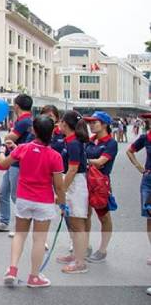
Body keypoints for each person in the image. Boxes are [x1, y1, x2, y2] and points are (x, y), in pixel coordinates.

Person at [0, 115, 65, 288]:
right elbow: (59, 186)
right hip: (44, 201)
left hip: (24, 199)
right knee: (39, 239)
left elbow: (4, 164)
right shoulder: (55, 156)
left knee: (20, 235)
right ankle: (34, 277)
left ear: (34, 130)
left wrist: (0, 151)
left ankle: (12, 270)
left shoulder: (23, 148)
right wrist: (63, 204)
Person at [0, 94, 34, 234]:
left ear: (16, 106)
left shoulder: (23, 121)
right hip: (13, 160)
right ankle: (4, 221)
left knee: (16, 196)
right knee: (3, 192)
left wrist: (7, 136)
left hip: (18, 162)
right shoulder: (26, 120)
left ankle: (21, 225)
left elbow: (11, 137)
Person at [53, 111, 90, 274]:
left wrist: (62, 190)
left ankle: (80, 262)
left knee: (77, 224)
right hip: (72, 183)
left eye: (60, 122)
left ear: (65, 124)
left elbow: (73, 169)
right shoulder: (70, 141)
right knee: (73, 223)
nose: (58, 124)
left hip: (75, 184)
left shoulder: (74, 143)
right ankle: (76, 254)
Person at [83, 111, 118, 263]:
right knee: (85, 215)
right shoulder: (90, 140)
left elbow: (101, 162)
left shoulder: (111, 143)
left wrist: (84, 159)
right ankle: (85, 245)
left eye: (94, 122)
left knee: (104, 216)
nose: (91, 125)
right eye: (89, 122)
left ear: (104, 124)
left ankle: (103, 250)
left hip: (100, 183)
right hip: (86, 180)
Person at [125, 115, 151, 268]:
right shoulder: (146, 137)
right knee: (149, 218)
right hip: (148, 180)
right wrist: (138, 166)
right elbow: (130, 151)